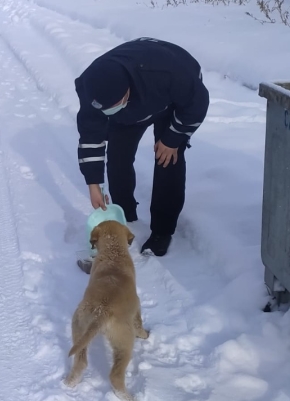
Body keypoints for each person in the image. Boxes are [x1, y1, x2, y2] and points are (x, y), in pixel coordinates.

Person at [75, 38, 209, 265]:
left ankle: (162, 231)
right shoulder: (92, 89)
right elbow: (91, 136)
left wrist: (173, 138)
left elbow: (196, 104)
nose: (108, 110)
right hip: (129, 108)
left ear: (126, 92)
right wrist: (93, 184)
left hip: (169, 99)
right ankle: (124, 212)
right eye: (105, 109)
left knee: (167, 158)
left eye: (113, 105)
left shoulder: (170, 74)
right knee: (118, 157)